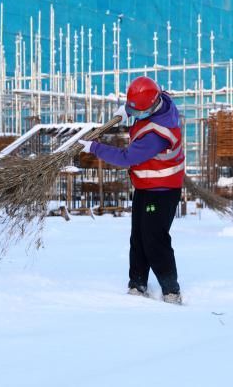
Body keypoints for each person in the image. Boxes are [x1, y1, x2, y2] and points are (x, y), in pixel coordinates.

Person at [77, 76, 184, 304]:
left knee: (154, 239)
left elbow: (127, 157)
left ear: (152, 106)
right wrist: (129, 111)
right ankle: (137, 284)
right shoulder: (161, 103)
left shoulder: (157, 135)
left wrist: (95, 147)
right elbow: (141, 109)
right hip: (146, 187)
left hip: (162, 191)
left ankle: (171, 289)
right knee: (138, 237)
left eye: (138, 111)